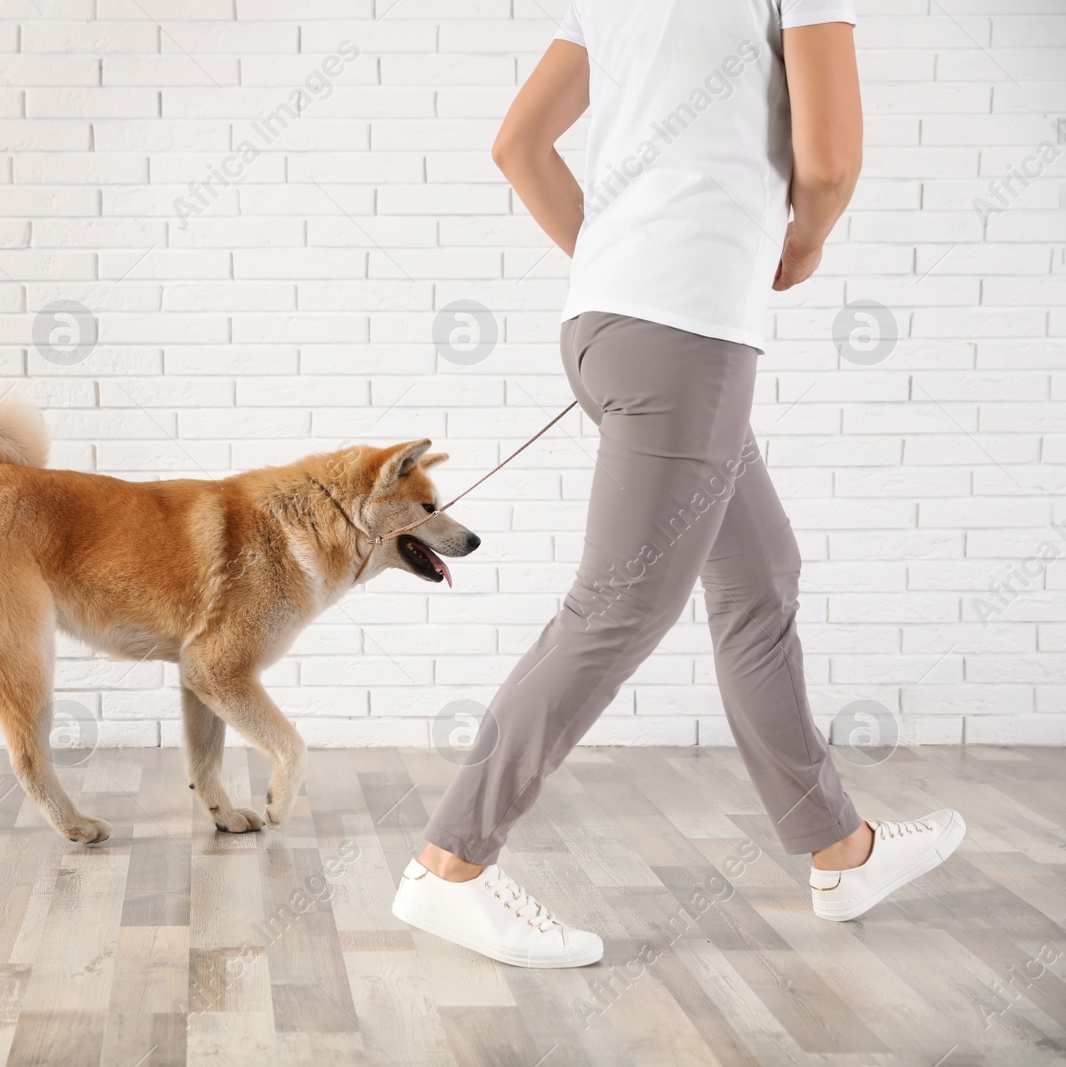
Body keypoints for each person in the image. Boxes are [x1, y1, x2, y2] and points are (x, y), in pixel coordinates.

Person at [390, 0, 965, 968]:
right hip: (684, 339)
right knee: (616, 607)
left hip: (603, 329)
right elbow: (827, 165)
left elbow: (517, 146)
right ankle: (450, 864)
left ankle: (839, 848)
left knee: (755, 575)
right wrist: (807, 240)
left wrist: (628, 271)